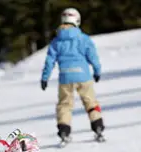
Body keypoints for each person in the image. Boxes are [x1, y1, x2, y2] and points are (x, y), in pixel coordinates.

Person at [41, 7, 105, 144]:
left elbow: (49, 61)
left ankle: (64, 131)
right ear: (77, 20)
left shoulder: (56, 41)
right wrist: (97, 71)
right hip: (83, 76)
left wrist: (45, 77)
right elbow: (93, 56)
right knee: (91, 102)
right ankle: (98, 127)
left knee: (65, 105)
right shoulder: (84, 39)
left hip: (65, 77)